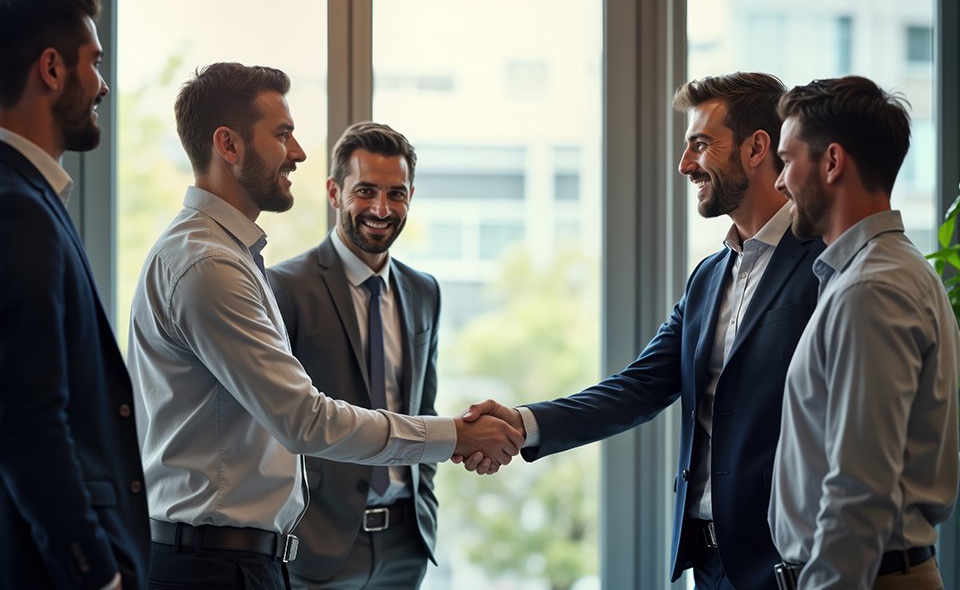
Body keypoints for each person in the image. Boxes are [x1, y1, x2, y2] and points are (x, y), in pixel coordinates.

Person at [127, 63, 521, 590]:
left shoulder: (228, 256)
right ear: (229, 144)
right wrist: (454, 435)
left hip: (245, 557)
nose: (298, 152)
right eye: (282, 134)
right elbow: (305, 419)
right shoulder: (209, 265)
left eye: (397, 192)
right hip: (220, 565)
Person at [459, 72, 825, 589]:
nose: (685, 164)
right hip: (710, 565)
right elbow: (637, 386)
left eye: (701, 144)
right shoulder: (708, 278)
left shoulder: (825, 264)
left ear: (756, 148)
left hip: (792, 565)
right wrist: (522, 423)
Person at [769, 75, 959, 589]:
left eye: (786, 161)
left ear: (832, 162)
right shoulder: (884, 272)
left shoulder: (871, 289)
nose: (780, 182)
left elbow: (860, 486)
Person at [0, 0, 151, 588]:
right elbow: (27, 421)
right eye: (95, 63)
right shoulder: (17, 208)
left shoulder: (30, 198)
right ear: (52, 69)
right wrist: (97, 574)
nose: (103, 86)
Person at [266, 122, 439, 589]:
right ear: (333, 192)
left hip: (406, 545)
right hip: (315, 548)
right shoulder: (284, 288)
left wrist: (425, 507)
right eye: (365, 191)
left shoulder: (425, 292)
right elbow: (274, 423)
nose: (381, 209)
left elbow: (424, 409)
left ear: (410, 196)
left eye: (396, 194)